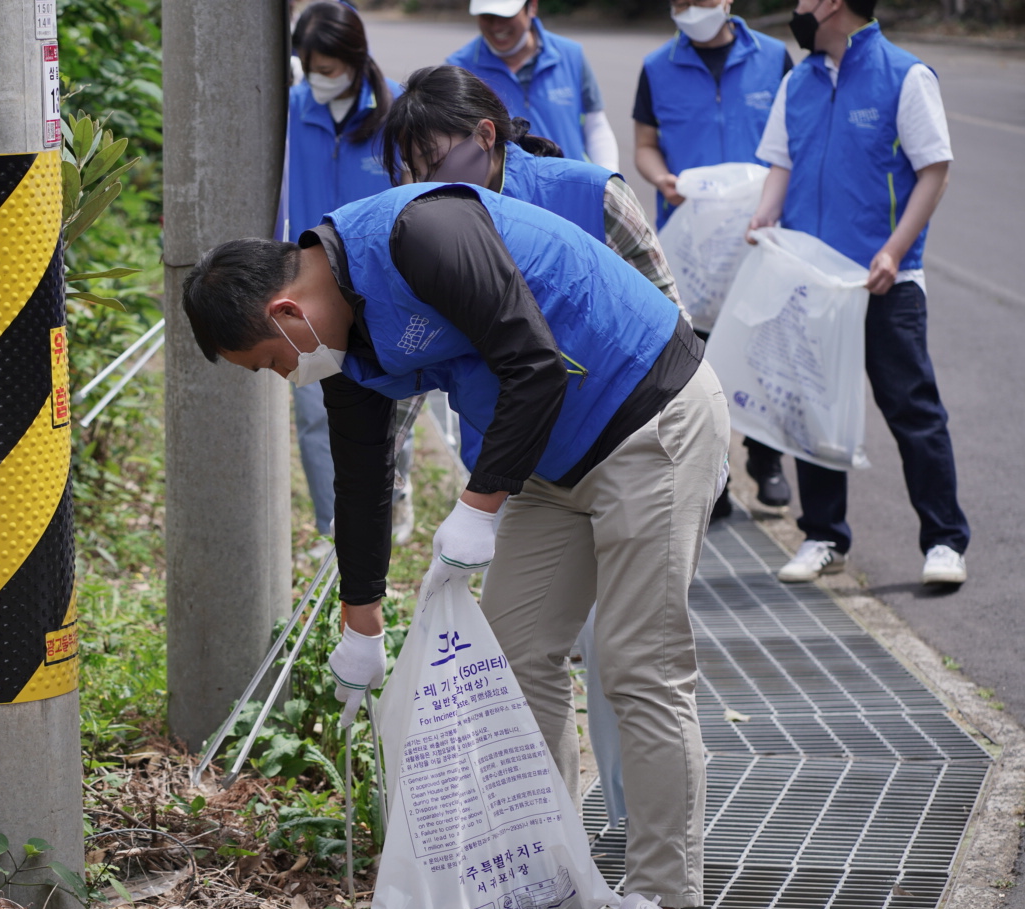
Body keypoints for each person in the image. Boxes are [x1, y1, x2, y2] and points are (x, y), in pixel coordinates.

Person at [181, 181, 729, 909]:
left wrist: (478, 506)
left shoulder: (420, 234)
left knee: (635, 663)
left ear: (289, 315)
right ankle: (563, 888)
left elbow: (534, 363)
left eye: (268, 362)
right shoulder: (350, 348)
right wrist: (359, 620)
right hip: (552, 463)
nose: (282, 376)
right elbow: (364, 475)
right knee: (508, 658)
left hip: (649, 417)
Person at [748, 0, 969, 585]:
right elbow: (780, 163)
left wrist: (894, 250)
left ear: (832, 4)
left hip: (886, 281)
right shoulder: (798, 82)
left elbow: (934, 171)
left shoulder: (905, 76)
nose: (795, 8)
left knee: (912, 410)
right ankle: (824, 535)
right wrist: (764, 216)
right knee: (813, 410)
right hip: (812, 282)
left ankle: (944, 541)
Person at [384, 64, 687, 482]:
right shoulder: (428, 234)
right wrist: (375, 476)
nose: (424, 184)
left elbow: (674, 324)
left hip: (628, 447)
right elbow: (412, 352)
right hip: (511, 466)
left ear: (485, 136)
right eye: (413, 171)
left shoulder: (596, 195)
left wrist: (694, 434)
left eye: (433, 163)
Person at [635, 0, 795, 518]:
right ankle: (715, 479)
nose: (689, 10)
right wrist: (661, 177)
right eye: (680, 2)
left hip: (759, 232)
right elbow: (645, 144)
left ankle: (767, 458)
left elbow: (798, 138)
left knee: (764, 345)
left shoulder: (774, 58)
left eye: (700, 1)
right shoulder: (658, 67)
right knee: (698, 364)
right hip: (693, 243)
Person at [282, 2, 415, 546]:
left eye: (329, 68)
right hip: (310, 290)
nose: (318, 79)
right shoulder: (292, 106)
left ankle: (392, 500)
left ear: (356, 61)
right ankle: (331, 527)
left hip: (381, 288)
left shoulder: (398, 109)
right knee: (315, 411)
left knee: (388, 401)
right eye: (309, 66)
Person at [444, 0, 619, 172]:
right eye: (487, 16)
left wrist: (609, 176)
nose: (496, 26)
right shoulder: (459, 70)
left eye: (505, 16)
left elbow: (595, 125)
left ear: (532, 7)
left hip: (572, 187)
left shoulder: (570, 55)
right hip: (504, 197)